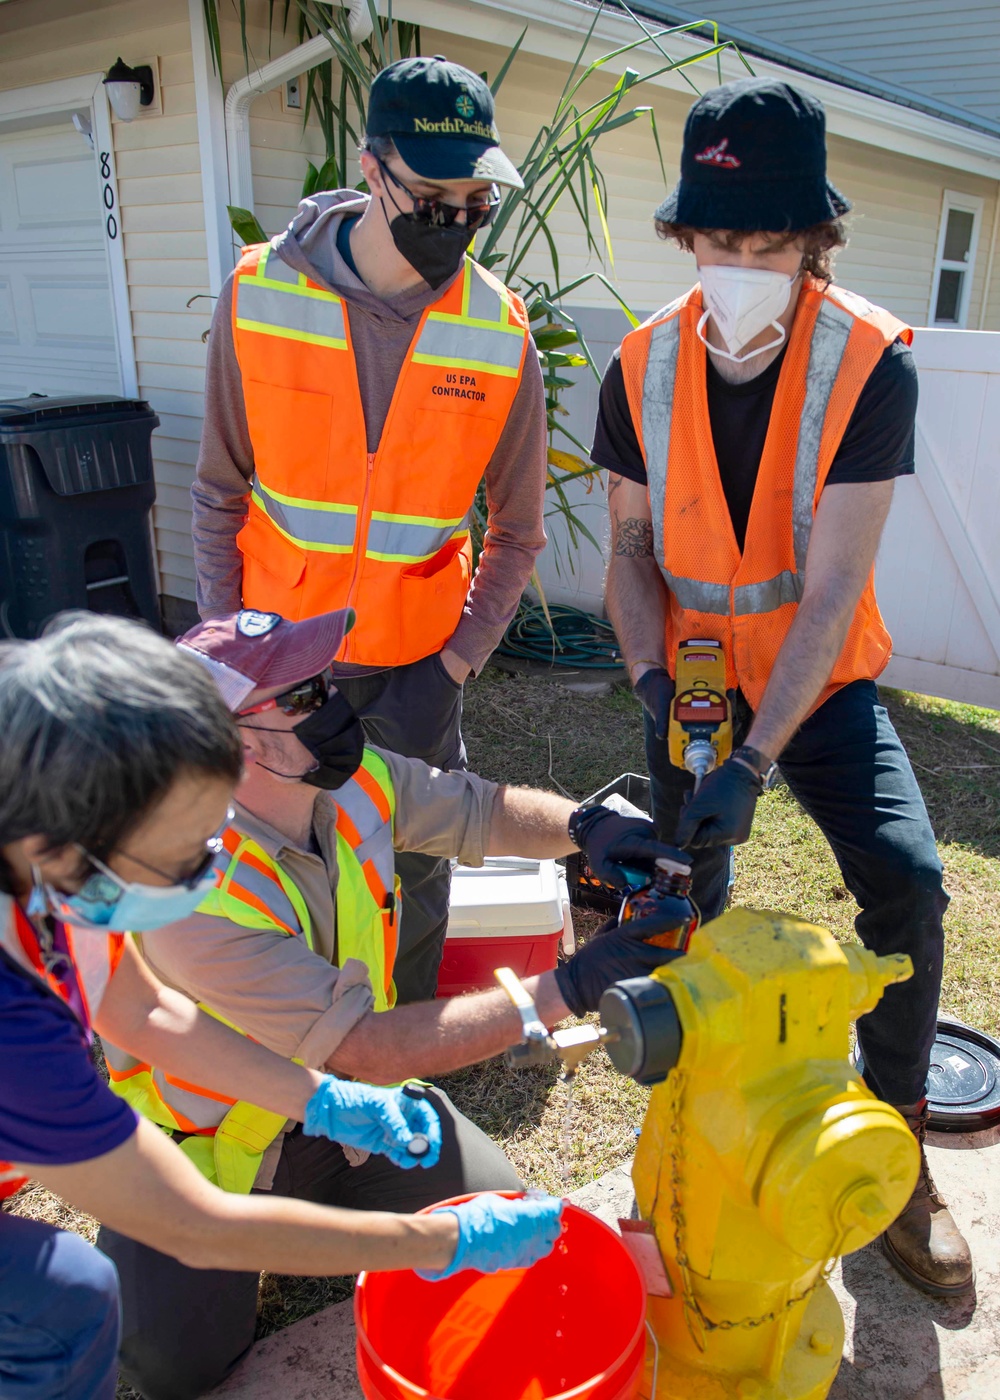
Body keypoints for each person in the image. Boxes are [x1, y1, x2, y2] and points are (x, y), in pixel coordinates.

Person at [97, 604, 688, 1398]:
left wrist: (588, 827)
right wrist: (571, 987)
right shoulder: (192, 888)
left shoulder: (345, 779)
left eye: (324, 680)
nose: (337, 704)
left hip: (352, 1116)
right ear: (234, 742)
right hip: (210, 1149)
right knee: (176, 1368)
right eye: (304, 696)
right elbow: (365, 1044)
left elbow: (474, 807)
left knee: (504, 1225)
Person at [594, 77, 971, 1296]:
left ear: (815, 241)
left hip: (818, 684)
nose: (743, 263)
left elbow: (831, 587)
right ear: (685, 237)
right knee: (679, 892)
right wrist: (655, 682)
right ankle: (693, 1125)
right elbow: (629, 551)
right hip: (694, 679)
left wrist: (755, 764)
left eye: (770, 243)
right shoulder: (640, 364)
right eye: (720, 240)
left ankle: (899, 1147)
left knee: (908, 883)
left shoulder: (868, 364)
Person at [0, 614, 571, 1400]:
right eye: (182, 844)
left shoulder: (57, 877)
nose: (209, 860)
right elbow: (191, 1222)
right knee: (72, 1309)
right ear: (73, 835)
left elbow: (142, 1014)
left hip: (306, 1115)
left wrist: (325, 1102)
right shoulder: (19, 1025)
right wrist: (434, 1239)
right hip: (201, 1151)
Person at [192, 55, 548, 1004]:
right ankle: (303, 1069)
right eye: (434, 194)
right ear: (371, 167)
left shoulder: (499, 330)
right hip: (281, 665)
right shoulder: (259, 297)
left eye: (478, 198)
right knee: (276, 858)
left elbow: (517, 531)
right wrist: (232, 656)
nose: (459, 219)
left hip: (419, 670)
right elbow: (219, 493)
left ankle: (406, 1064)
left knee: (419, 872)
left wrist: (457, 662)